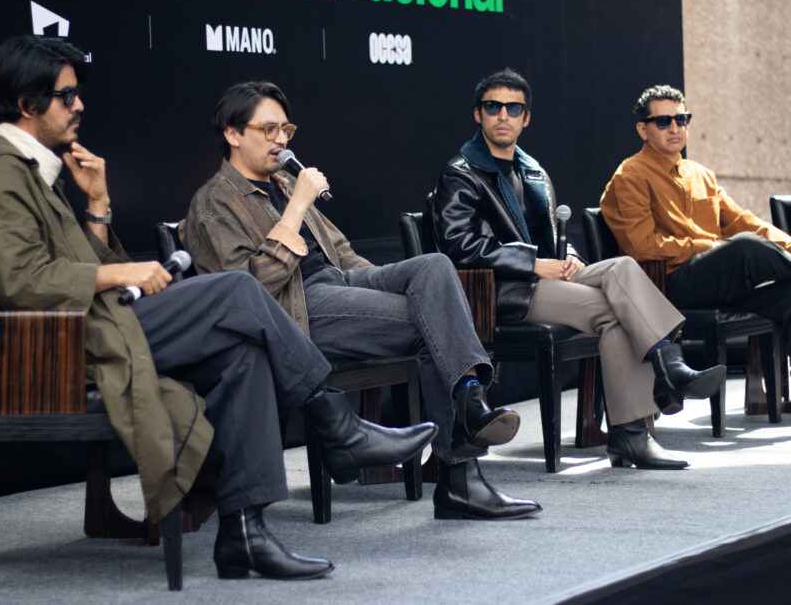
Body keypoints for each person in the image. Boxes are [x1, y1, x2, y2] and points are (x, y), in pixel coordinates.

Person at [0, 35, 438, 582]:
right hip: (58, 348)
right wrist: (122, 269)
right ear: (24, 101)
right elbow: (23, 282)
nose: (79, 104)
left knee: (242, 353)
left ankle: (244, 537)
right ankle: (335, 424)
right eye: (65, 95)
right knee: (235, 290)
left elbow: (74, 265)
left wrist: (99, 209)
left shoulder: (33, 169)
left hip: (92, 323)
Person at [181, 81, 540, 520]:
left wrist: (380, 285)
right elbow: (247, 290)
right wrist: (295, 207)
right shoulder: (215, 201)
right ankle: (461, 472)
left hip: (341, 284)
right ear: (233, 134)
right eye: (268, 129)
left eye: (286, 129)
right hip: (296, 306)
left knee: (433, 268)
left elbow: (344, 251)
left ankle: (467, 399)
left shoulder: (285, 182)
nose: (281, 140)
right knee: (438, 329)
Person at [430, 68, 726, 470]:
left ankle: (667, 366)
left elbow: (550, 235)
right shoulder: (460, 173)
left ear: (526, 117)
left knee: (620, 267)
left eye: (513, 108)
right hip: (503, 290)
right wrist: (533, 263)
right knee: (616, 313)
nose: (503, 115)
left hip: (543, 277)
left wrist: (569, 257)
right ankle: (634, 429)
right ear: (478, 114)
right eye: (493, 107)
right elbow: (458, 246)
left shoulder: (532, 170)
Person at [600, 84, 791, 437]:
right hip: (668, 287)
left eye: (681, 119)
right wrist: (711, 245)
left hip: (720, 280)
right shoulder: (630, 175)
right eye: (663, 121)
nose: (675, 128)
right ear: (643, 129)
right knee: (745, 246)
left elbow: (746, 221)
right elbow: (643, 246)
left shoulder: (700, 173)